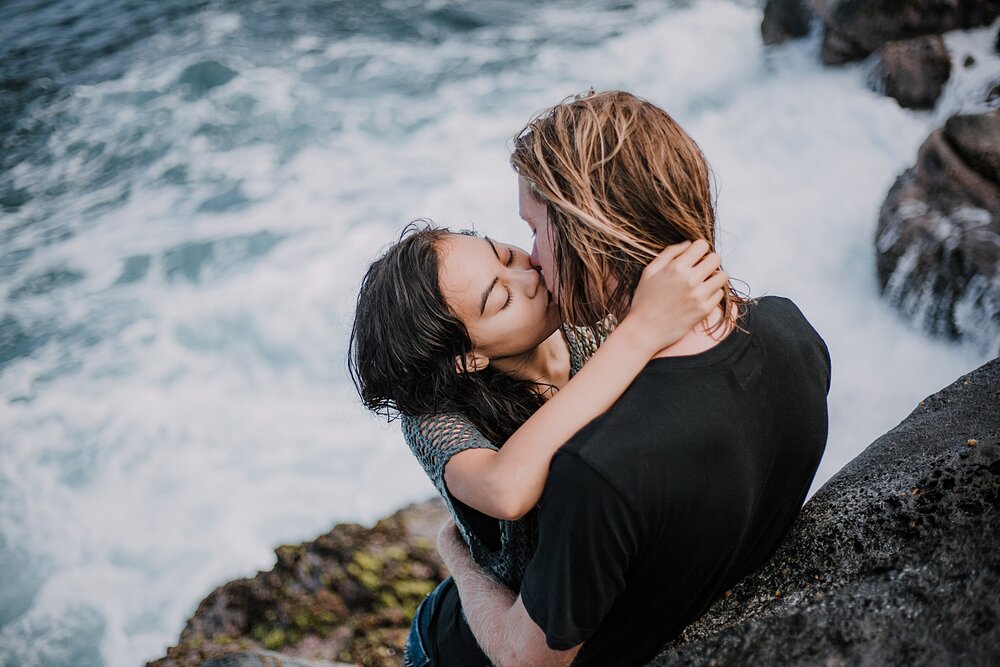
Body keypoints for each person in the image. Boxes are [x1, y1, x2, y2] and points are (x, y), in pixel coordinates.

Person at [425, 90, 831, 666]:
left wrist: (458, 555)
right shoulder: (793, 333)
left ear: (589, 237)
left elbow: (524, 660)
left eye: (535, 231)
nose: (532, 259)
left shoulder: (598, 472)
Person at [350, 230, 727, 663]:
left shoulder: (589, 321)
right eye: (500, 299)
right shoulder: (434, 420)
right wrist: (641, 330)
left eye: (505, 254)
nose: (527, 276)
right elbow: (505, 491)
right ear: (468, 357)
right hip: (465, 645)